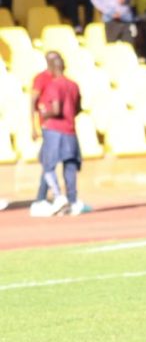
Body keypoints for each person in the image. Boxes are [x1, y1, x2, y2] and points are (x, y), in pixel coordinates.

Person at [29, 51, 86, 217]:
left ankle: (55, 196)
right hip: (70, 129)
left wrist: (43, 114)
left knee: (48, 165)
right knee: (70, 166)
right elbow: (78, 108)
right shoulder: (73, 84)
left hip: (53, 129)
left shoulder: (53, 85)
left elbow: (55, 109)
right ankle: (73, 201)